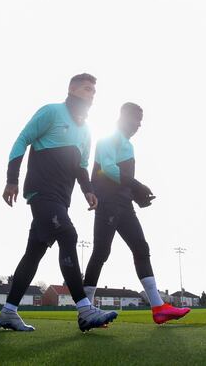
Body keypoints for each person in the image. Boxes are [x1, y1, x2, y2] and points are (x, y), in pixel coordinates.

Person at [0, 73, 117, 332]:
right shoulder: (51, 112)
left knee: (34, 253)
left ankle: (8, 312)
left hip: (62, 199)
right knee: (68, 234)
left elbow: (82, 166)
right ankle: (85, 309)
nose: (91, 96)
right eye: (87, 89)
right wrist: (11, 179)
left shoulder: (86, 131)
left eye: (94, 92)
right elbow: (22, 140)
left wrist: (88, 190)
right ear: (72, 89)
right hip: (41, 192)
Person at [83, 103, 190, 324]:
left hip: (124, 204)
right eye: (135, 120)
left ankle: (158, 306)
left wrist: (136, 194)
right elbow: (108, 168)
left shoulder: (128, 145)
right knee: (101, 252)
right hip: (108, 203)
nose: (138, 125)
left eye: (141, 121)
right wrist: (137, 184)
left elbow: (120, 178)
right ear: (123, 116)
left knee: (141, 248)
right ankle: (86, 311)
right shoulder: (107, 140)